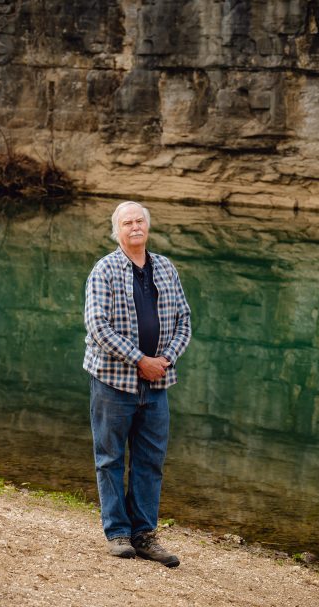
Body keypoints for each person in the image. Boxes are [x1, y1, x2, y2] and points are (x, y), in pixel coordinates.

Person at [83, 201, 192, 568]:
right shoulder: (104, 270)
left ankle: (144, 535)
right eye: (127, 222)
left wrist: (165, 360)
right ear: (117, 230)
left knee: (150, 461)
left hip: (157, 383)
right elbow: (98, 327)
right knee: (110, 458)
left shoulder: (166, 268)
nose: (134, 227)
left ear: (148, 227)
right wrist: (139, 360)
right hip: (113, 382)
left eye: (139, 221)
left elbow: (184, 320)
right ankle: (117, 533)